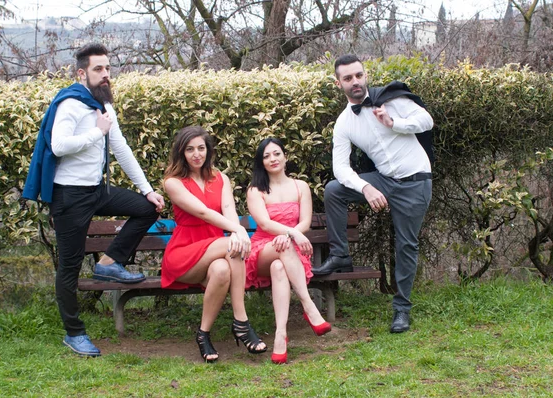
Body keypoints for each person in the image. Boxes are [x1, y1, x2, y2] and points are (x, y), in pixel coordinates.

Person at [23, 43, 165, 357]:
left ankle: (108, 263)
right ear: (82, 73)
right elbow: (58, 145)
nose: (105, 75)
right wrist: (96, 133)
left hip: (96, 190)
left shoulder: (103, 106)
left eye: (107, 68)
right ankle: (74, 334)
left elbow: (122, 149)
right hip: (70, 195)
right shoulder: (70, 104)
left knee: (146, 209)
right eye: (98, 69)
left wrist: (147, 190)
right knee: (69, 268)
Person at [314, 54, 434, 334]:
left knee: (406, 245)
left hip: (415, 181)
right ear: (338, 83)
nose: (355, 82)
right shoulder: (344, 123)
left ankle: (401, 310)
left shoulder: (391, 99)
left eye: (358, 75)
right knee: (334, 189)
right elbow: (340, 168)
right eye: (347, 78)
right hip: (384, 180)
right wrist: (366, 187)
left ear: (365, 75)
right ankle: (340, 255)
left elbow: (426, 120)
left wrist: (394, 123)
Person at [161, 125, 267, 363]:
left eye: (201, 148)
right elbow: (203, 212)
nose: (196, 154)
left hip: (215, 248)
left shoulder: (220, 178)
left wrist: (235, 230)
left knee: (221, 270)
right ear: (181, 152)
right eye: (190, 149)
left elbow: (229, 209)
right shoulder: (173, 182)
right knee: (233, 245)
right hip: (184, 253)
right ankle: (241, 321)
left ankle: (203, 334)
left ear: (208, 151)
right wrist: (238, 230)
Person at [246, 137, 331, 364]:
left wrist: (289, 235)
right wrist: (290, 234)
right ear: (261, 162)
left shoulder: (300, 186)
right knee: (278, 253)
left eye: (276, 153)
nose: (272, 159)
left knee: (279, 267)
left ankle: (280, 335)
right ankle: (308, 304)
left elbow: (305, 222)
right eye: (266, 156)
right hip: (263, 248)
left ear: (285, 156)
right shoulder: (256, 190)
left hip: (289, 252)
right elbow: (264, 224)